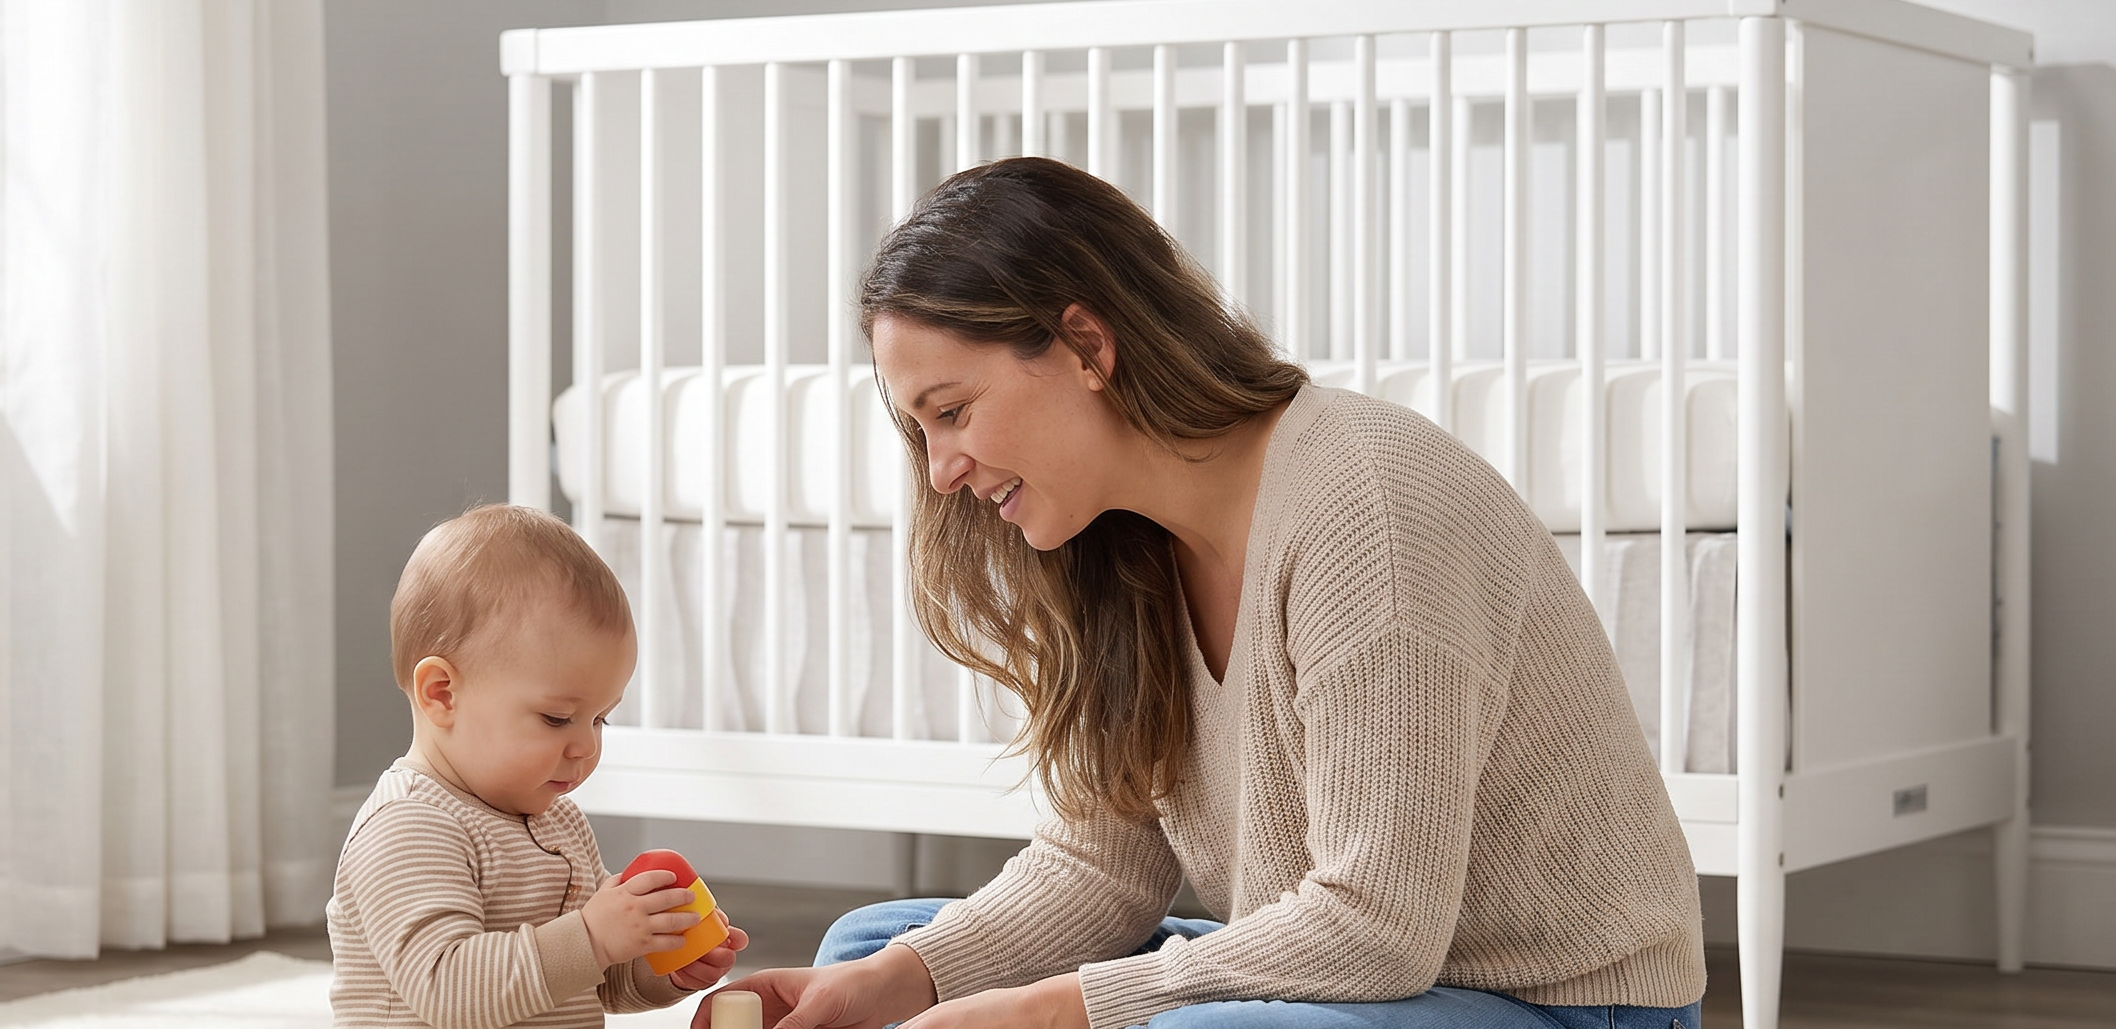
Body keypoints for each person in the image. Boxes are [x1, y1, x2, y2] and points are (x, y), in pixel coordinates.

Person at [705, 157, 1704, 1029]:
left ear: (1088, 347)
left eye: (953, 411)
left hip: (1555, 1003)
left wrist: (1060, 1009)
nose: (940, 472)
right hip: (1360, 981)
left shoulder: (1366, 502)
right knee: (876, 947)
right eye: (921, 430)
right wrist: (907, 977)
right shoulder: (1120, 550)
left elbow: (1378, 928)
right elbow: (1100, 869)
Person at [329, 504, 748, 1029]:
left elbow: (592, 977)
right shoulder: (408, 827)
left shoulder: (561, 822)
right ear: (442, 694)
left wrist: (658, 960)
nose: (584, 747)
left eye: (600, 721)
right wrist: (594, 935)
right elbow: (448, 990)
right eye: (557, 718)